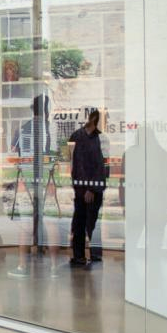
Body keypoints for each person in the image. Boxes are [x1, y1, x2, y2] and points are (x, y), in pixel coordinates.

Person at [8, 94, 51, 278]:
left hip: (26, 180)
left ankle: (22, 266)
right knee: (45, 219)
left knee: (26, 223)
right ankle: (49, 263)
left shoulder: (23, 128)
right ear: (46, 110)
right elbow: (52, 156)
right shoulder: (49, 129)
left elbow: (13, 153)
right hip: (45, 181)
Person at [69, 109, 109, 266]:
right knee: (80, 222)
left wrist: (92, 188)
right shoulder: (77, 136)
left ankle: (94, 254)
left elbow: (101, 165)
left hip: (92, 188)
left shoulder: (100, 138)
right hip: (83, 189)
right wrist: (86, 188)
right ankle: (79, 256)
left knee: (92, 222)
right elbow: (75, 163)